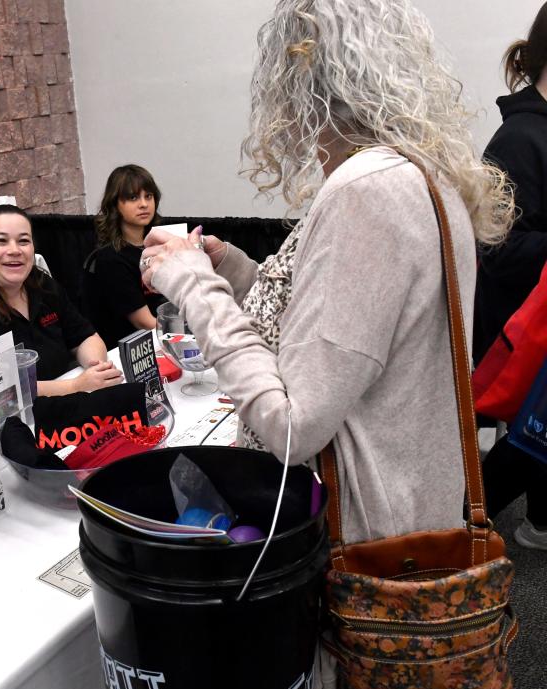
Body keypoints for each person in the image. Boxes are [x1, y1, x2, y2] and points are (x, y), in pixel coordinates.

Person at [140, 0, 512, 546]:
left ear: (299, 83)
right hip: (410, 517)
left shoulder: (367, 191)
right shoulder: (421, 174)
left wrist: (194, 284)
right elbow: (347, 330)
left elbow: (291, 425)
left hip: (360, 544)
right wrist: (235, 270)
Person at [476, 3, 547, 549]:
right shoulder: (519, 139)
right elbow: (498, 248)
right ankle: (453, 530)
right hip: (523, 327)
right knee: (529, 439)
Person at [0, 205, 122, 396]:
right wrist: (75, 386)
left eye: (23, 241)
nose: (15, 250)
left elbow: (85, 337)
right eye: (1, 241)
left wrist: (97, 369)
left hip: (62, 401)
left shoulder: (40, 283)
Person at [81, 165, 169, 347]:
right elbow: (143, 322)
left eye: (149, 196)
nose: (144, 204)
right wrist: (188, 332)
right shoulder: (111, 259)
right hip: (132, 350)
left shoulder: (160, 244)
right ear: (115, 204)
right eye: (133, 197)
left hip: (164, 337)